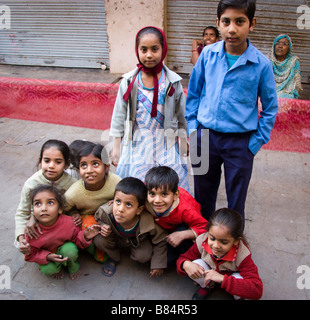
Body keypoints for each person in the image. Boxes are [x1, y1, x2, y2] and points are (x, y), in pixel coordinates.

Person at [185, 0, 278, 222]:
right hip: (204, 137)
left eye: (240, 21)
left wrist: (254, 143)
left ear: (252, 24)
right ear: (218, 23)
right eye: (226, 21)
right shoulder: (207, 55)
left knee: (236, 198)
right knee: (202, 194)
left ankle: (232, 242)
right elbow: (194, 94)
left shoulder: (261, 65)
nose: (232, 29)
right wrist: (193, 130)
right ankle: (203, 237)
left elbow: (270, 108)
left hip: (241, 142)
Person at [109, 26, 190, 192]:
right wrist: (116, 145)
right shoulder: (129, 82)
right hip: (138, 143)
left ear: (163, 49)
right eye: (143, 49)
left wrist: (183, 139)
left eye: (155, 49)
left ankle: (167, 216)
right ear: (137, 50)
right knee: (137, 187)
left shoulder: (173, 82)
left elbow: (181, 115)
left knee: (168, 186)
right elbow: (119, 115)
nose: (149, 55)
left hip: (166, 143)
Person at [176, 208, 263, 300]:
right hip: (210, 273)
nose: (216, 246)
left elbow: (257, 290)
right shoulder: (202, 240)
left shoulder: (242, 255)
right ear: (208, 232)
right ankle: (208, 285)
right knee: (196, 263)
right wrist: (185, 264)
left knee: (241, 280)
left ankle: (238, 296)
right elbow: (183, 258)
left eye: (224, 242)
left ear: (236, 241)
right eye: (212, 238)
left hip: (230, 278)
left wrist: (222, 279)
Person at [93, 177, 168, 278]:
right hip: (114, 237)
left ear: (139, 210)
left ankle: (133, 256)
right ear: (113, 200)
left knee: (144, 256)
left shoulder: (147, 222)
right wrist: (103, 226)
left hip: (138, 242)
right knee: (99, 239)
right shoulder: (106, 212)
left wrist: (158, 264)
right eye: (118, 201)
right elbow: (97, 218)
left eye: (128, 205)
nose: (120, 209)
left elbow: (161, 239)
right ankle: (114, 257)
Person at [24, 184, 100, 280]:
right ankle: (57, 268)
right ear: (33, 210)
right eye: (38, 204)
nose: (43, 208)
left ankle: (73, 266)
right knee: (49, 269)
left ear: (60, 209)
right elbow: (30, 254)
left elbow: (76, 239)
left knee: (70, 250)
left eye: (50, 203)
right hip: (47, 256)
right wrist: (47, 256)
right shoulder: (32, 232)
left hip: (64, 250)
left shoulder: (69, 222)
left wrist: (85, 236)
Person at [15, 139, 77, 253]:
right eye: (47, 160)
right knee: (25, 247)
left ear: (67, 164)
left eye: (58, 162)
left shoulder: (72, 183)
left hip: (61, 224)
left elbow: (75, 206)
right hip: (40, 224)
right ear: (40, 161)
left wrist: (75, 213)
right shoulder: (31, 184)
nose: (51, 166)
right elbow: (22, 212)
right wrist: (21, 237)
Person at [64, 142, 121, 263]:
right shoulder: (73, 193)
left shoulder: (116, 182)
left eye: (95, 164)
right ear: (79, 169)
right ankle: (92, 248)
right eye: (83, 165)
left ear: (106, 167)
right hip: (88, 219)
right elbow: (64, 209)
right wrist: (74, 212)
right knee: (87, 227)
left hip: (108, 216)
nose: (89, 170)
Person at [144, 166, 208, 265]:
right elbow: (130, 194)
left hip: (178, 229)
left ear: (175, 195)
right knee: (146, 258)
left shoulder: (186, 209)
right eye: (152, 194)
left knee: (168, 261)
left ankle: (184, 260)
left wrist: (182, 234)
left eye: (164, 194)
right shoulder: (144, 196)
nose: (157, 200)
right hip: (159, 230)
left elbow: (205, 228)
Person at [270, 34, 303, 99]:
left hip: (286, 93)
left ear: (289, 48)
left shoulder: (294, 62)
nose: (280, 46)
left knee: (282, 97)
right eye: (277, 43)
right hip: (270, 91)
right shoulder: (268, 61)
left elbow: (296, 84)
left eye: (284, 44)